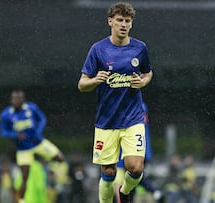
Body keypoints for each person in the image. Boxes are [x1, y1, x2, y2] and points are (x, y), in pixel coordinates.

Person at [77, 2, 153, 203]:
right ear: (110, 21)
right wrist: (95, 80)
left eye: (127, 21)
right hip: (107, 121)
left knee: (135, 168)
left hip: (133, 118)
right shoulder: (98, 49)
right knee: (108, 172)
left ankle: (125, 192)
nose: (124, 24)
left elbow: (148, 72)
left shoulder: (140, 48)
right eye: (119, 20)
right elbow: (82, 84)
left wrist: (142, 81)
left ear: (131, 25)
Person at [0, 90, 64, 203]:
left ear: (23, 100)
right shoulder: (6, 114)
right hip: (23, 149)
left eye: (19, 98)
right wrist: (15, 135)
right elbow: (3, 132)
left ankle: (51, 170)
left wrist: (38, 133)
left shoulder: (31, 108)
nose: (17, 101)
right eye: (15, 98)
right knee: (25, 177)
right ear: (11, 100)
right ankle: (21, 200)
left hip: (37, 142)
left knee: (60, 158)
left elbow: (42, 119)